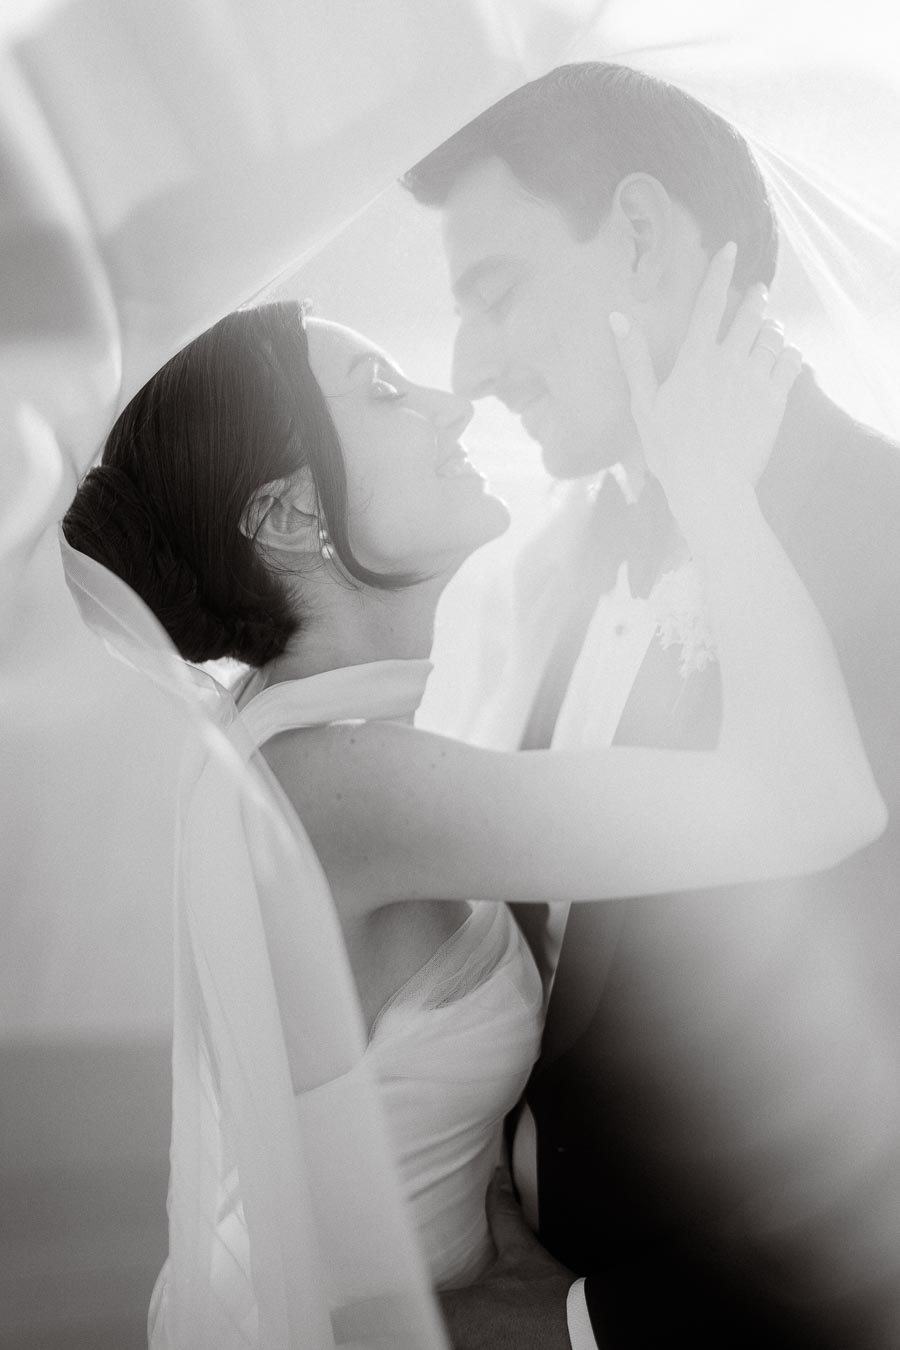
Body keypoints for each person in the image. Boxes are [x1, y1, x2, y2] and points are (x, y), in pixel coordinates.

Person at [61, 278, 883, 1333]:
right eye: (383, 390)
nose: (452, 405)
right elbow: (814, 801)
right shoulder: (340, 788)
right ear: (291, 514)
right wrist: (711, 485)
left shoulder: (294, 749)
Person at [404, 61, 900, 1348]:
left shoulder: (885, 553)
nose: (469, 367)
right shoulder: (573, 549)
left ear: (638, 233)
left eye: (496, 294)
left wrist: (581, 1327)